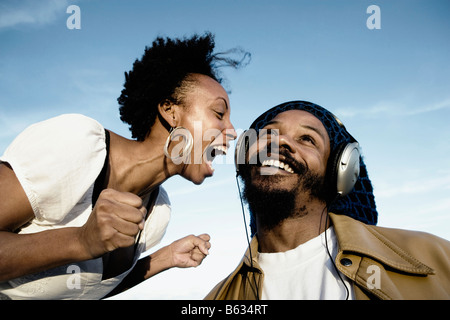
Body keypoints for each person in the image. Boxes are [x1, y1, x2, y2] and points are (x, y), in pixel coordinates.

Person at [0, 32, 245, 299]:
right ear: (170, 110)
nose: (231, 130)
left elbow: (86, 292)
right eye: (219, 114)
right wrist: (81, 241)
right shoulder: (76, 142)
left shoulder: (158, 213)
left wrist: (165, 258)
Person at [205, 100, 450, 300]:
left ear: (338, 173)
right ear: (243, 159)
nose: (280, 141)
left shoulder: (435, 257)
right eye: (269, 133)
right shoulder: (217, 300)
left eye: (307, 139)